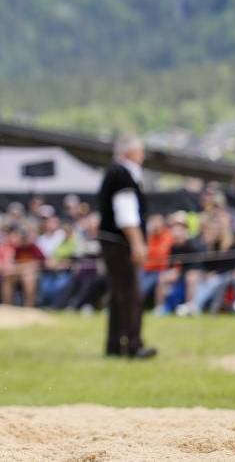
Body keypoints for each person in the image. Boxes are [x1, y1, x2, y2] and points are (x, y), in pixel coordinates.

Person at [96, 135, 156, 359]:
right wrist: (138, 243)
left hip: (111, 241)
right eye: (140, 151)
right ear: (129, 152)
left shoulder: (113, 172)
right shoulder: (123, 174)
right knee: (130, 293)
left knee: (117, 293)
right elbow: (126, 213)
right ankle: (133, 344)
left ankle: (114, 345)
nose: (142, 155)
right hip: (120, 242)